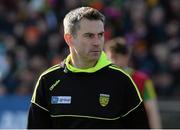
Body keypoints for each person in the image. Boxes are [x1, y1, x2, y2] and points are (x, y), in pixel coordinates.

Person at [27, 7, 149, 129]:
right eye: (89, 36)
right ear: (69, 39)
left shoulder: (122, 81)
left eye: (100, 35)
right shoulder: (48, 81)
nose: (97, 42)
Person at [104, 37, 162, 129]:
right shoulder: (102, 79)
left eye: (115, 57)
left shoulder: (143, 81)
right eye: (111, 58)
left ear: (126, 57)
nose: (113, 62)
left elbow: (152, 112)